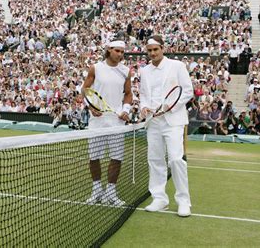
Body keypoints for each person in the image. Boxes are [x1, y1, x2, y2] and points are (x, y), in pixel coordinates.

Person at [139, 35, 194, 217]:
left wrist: (170, 107)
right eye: (150, 50)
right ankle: (160, 199)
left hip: (173, 121)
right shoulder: (144, 71)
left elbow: (187, 91)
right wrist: (144, 107)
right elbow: (144, 95)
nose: (153, 53)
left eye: (156, 49)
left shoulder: (177, 66)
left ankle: (183, 201)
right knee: (155, 160)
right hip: (152, 121)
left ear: (163, 48)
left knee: (176, 159)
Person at [82, 40, 132, 206]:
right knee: (94, 157)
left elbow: (128, 94)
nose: (120, 54)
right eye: (117, 51)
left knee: (116, 158)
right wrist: (91, 107)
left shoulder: (126, 71)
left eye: (122, 52)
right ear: (109, 50)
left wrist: (126, 109)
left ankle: (110, 192)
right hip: (97, 120)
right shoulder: (95, 68)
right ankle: (96, 190)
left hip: (116, 121)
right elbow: (85, 90)